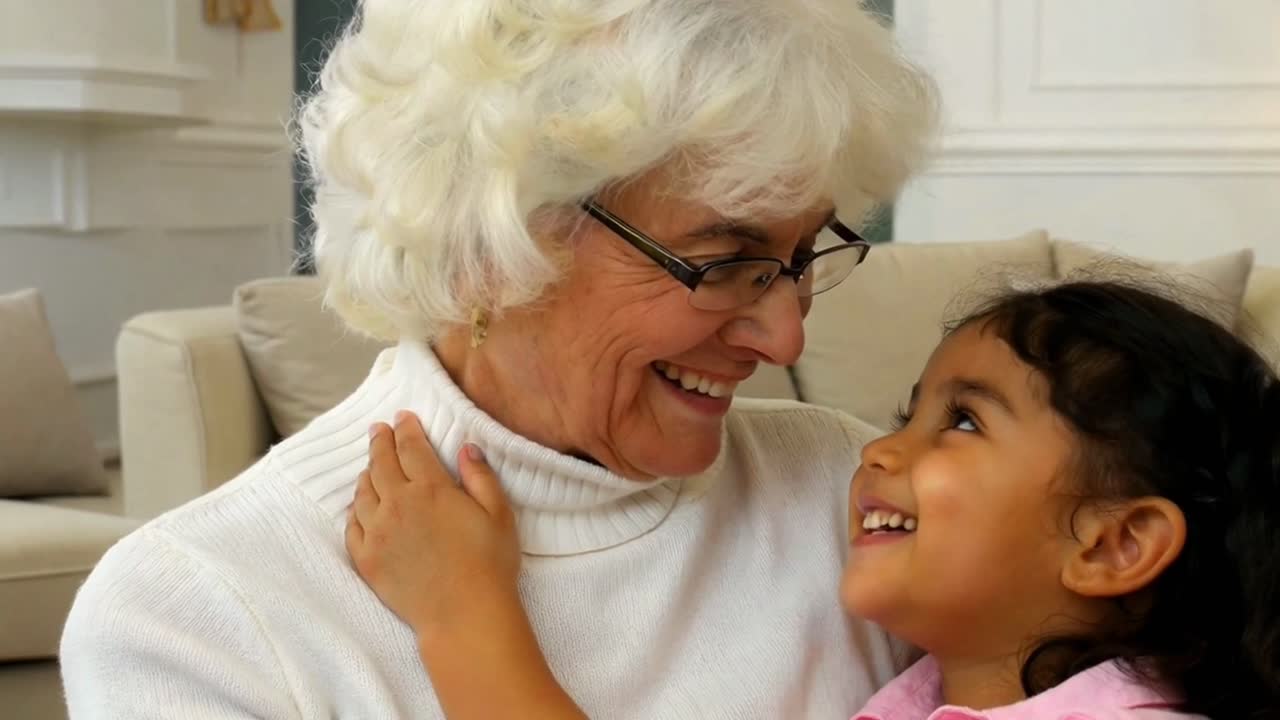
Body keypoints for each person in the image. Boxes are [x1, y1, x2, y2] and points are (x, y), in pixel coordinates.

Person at [59, 1, 936, 717]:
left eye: (799, 257)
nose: (785, 338)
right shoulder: (196, 615)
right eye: (721, 262)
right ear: (491, 244)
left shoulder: (856, 497)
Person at [350, 279, 1280, 719]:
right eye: (906, 413)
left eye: (960, 423)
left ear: (1115, 547)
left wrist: (464, 617)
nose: (878, 450)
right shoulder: (919, 696)